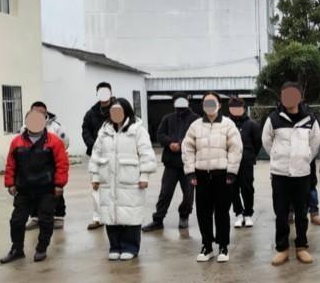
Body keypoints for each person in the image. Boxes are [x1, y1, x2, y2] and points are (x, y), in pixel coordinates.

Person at [262, 83, 320, 266]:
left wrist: (304, 158)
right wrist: (278, 157)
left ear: (300, 97)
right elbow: (267, 141)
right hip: (280, 174)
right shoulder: (273, 118)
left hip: (302, 174)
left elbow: (315, 143)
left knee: (302, 213)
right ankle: (282, 249)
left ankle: (301, 247)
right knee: (281, 213)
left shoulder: (310, 119)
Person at [89, 99, 157, 261]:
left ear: (126, 111)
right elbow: (96, 154)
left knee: (131, 214)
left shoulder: (137, 130)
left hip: (130, 180)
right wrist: (95, 176)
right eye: (113, 111)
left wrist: (144, 176)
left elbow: (146, 154)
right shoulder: (104, 131)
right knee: (110, 214)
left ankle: (130, 247)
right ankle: (115, 246)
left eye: (119, 111)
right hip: (108, 180)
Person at [0, 109, 70, 264]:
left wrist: (59, 184)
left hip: (47, 189)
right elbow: (11, 164)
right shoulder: (17, 142)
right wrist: (10, 183)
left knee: (45, 220)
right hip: (24, 189)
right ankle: (17, 249)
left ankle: (41, 248)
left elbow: (62, 164)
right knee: (17, 221)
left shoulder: (54, 141)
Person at [184, 92, 243, 263]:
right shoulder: (195, 126)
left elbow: (235, 148)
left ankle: (223, 246)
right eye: (206, 102)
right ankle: (207, 246)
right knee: (203, 212)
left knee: (222, 212)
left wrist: (231, 172)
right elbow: (187, 149)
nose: (210, 106)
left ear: (219, 104)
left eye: (213, 102)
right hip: (201, 175)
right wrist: (190, 172)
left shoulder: (228, 125)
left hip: (222, 176)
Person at [142, 94, 200, 232]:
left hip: (188, 164)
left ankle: (184, 215)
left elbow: (197, 137)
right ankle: (158, 220)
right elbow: (159, 135)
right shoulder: (168, 118)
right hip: (171, 163)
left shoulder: (196, 119)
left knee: (188, 195)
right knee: (165, 193)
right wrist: (169, 143)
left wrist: (180, 144)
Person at [24, 101, 69, 231]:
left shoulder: (55, 127)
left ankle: (58, 216)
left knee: (56, 191)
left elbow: (65, 143)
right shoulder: (24, 127)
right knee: (32, 191)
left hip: (51, 165)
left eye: (41, 112)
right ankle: (35, 216)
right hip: (32, 166)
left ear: (46, 113)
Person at [82, 82, 115, 231]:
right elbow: (85, 131)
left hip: (115, 155)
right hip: (97, 156)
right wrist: (94, 146)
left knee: (117, 186)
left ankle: (116, 216)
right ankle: (98, 218)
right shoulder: (91, 113)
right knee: (97, 186)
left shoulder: (119, 109)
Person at [228, 97, 262, 228]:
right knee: (232, 189)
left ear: (243, 108)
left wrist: (250, 155)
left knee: (247, 188)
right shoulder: (226, 124)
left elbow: (257, 143)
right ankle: (238, 214)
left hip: (246, 162)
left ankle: (248, 214)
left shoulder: (252, 124)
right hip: (230, 162)